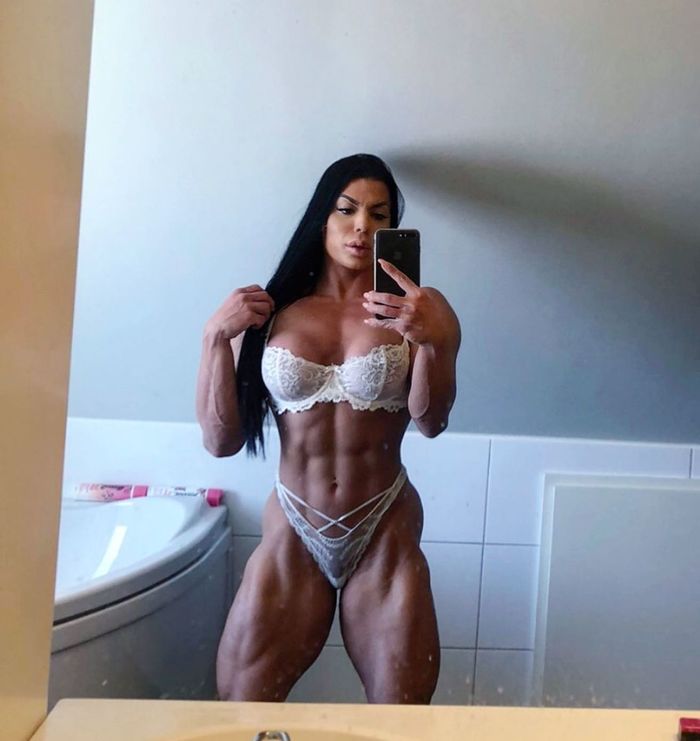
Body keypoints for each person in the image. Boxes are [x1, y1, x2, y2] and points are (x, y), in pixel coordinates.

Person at [196, 153, 461, 704]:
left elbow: (430, 421)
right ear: (322, 218)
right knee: (241, 711)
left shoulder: (419, 312)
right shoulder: (269, 313)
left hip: (384, 523)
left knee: (401, 724)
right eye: (347, 209)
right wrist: (215, 339)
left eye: (379, 215)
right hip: (294, 524)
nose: (362, 226)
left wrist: (433, 342)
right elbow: (220, 442)